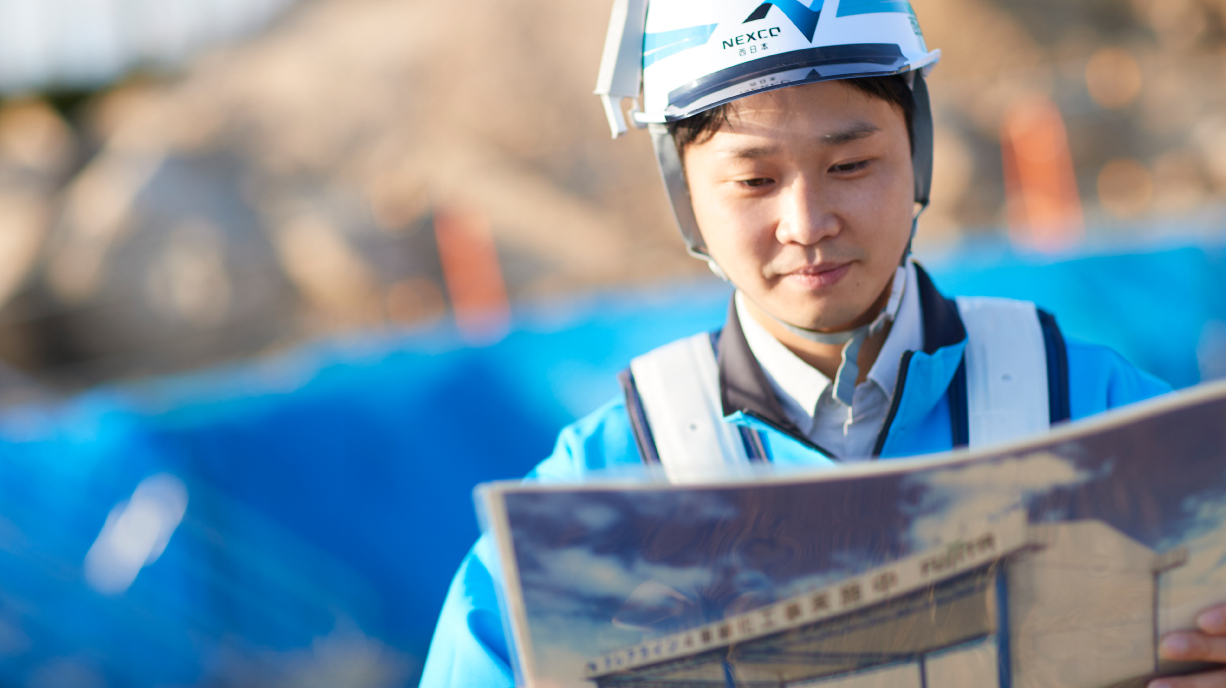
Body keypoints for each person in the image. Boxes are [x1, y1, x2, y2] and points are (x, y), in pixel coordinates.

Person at [419, 1, 1226, 686]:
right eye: (754, 180)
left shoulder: (1100, 414)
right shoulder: (599, 496)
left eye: (850, 164)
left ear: (919, 152)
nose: (808, 224)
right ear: (683, 193)